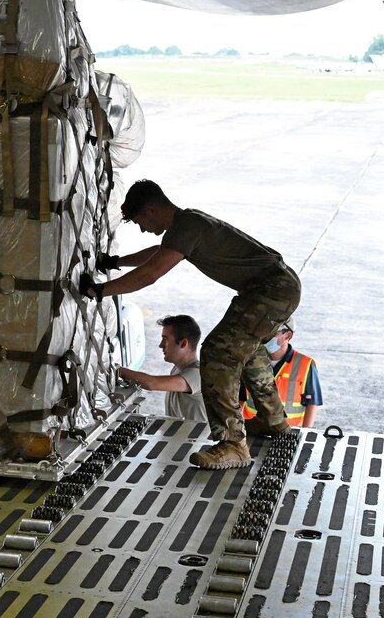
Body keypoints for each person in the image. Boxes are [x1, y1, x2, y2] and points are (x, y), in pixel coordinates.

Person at [83, 179, 300, 470]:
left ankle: (233, 444)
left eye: (139, 222)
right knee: (246, 349)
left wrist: (100, 291)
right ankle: (273, 421)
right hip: (273, 288)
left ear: (151, 210)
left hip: (271, 290)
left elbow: (152, 272)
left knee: (218, 352)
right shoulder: (186, 224)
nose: (142, 229)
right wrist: (115, 262)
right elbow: (157, 254)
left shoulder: (187, 227)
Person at [117, 314, 207, 422]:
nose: (161, 345)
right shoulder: (177, 369)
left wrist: (118, 370)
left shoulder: (197, 375)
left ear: (183, 343)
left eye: (165, 339)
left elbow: (152, 383)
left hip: (195, 439)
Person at [242, 316, 322, 428]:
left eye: (273, 333)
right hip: (252, 429)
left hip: (286, 433)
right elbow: (240, 397)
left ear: (288, 335)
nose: (266, 337)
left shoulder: (305, 364)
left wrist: (304, 432)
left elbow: (312, 404)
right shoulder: (251, 359)